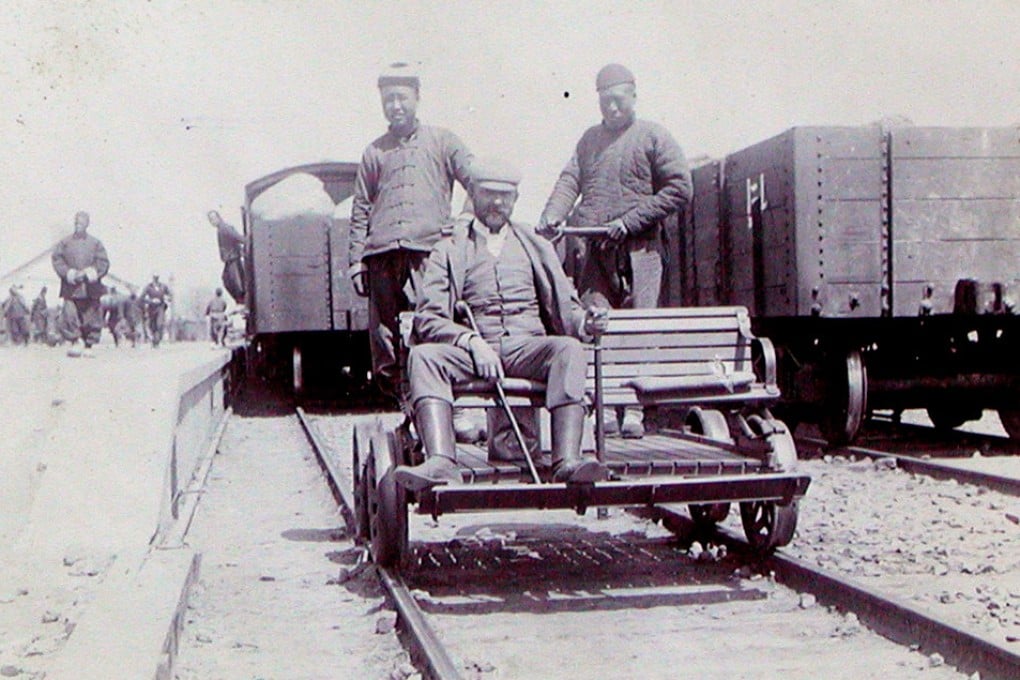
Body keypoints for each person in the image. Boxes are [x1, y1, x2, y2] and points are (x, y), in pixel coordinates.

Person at [394, 158, 610, 491]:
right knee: (424, 357)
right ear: (473, 195)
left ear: (516, 199)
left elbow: (566, 305)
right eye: (488, 194)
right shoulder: (449, 249)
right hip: (474, 352)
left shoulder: (536, 245)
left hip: (528, 347)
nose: (497, 203)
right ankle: (441, 462)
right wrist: (470, 341)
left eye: (505, 196)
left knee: (569, 349)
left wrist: (586, 323)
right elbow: (428, 317)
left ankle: (568, 462)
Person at [537, 63, 693, 438]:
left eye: (619, 100)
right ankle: (605, 407)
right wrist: (553, 215)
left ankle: (634, 409)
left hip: (642, 251)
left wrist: (631, 220)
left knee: (638, 327)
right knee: (595, 325)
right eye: (605, 101)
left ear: (634, 96)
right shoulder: (589, 140)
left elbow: (680, 188)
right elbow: (569, 179)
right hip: (596, 253)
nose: (612, 108)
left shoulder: (654, 136)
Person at [348, 63, 481, 441]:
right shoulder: (374, 152)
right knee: (387, 341)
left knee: (436, 325)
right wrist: (356, 261)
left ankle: (451, 409)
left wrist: (464, 221)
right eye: (388, 99)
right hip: (381, 256)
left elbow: (477, 179)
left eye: (401, 98)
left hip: (430, 254)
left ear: (417, 99)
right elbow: (361, 207)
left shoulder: (443, 141)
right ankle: (410, 409)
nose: (395, 106)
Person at [51, 211, 110, 357]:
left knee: (92, 316)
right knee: (70, 314)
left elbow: (103, 262)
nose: (78, 225)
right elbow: (57, 260)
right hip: (71, 288)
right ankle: (75, 341)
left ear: (87, 224)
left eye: (82, 223)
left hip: (90, 288)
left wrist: (93, 272)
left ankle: (89, 344)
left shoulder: (96, 243)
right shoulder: (64, 243)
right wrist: (68, 272)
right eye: (76, 222)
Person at [208, 210, 246, 305]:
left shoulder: (224, 228)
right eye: (210, 220)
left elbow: (236, 237)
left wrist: (246, 241)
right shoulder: (221, 228)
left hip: (232, 258)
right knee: (227, 279)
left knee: (236, 283)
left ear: (218, 217)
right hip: (229, 259)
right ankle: (240, 300)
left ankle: (242, 301)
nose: (212, 221)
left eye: (213, 218)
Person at [140, 274, 172, 347]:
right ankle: (154, 340)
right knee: (152, 325)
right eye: (155, 277)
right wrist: (151, 301)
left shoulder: (163, 286)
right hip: (151, 308)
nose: (156, 279)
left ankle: (157, 340)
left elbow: (169, 295)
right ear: (153, 278)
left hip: (160, 307)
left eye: (157, 277)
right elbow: (142, 298)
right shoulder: (148, 287)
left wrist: (167, 298)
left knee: (159, 324)